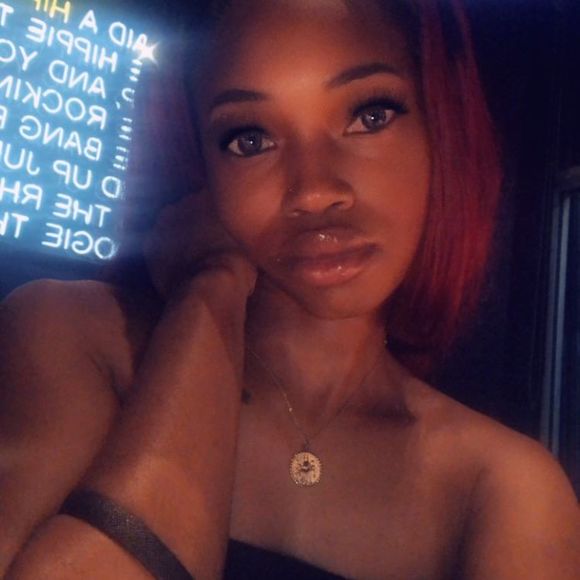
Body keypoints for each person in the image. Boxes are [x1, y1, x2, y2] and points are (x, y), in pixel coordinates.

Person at [0, 0, 579, 578]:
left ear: (441, 132)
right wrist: (210, 288)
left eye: (370, 115)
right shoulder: (73, 337)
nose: (314, 191)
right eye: (250, 140)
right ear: (197, 162)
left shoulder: (501, 485)